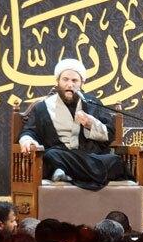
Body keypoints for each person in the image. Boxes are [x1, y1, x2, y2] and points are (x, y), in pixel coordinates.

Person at [17, 58, 125, 191]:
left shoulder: (93, 103)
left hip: (89, 156)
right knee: (51, 155)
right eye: (65, 79)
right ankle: (66, 169)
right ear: (58, 82)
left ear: (82, 83)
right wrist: (27, 140)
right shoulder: (43, 107)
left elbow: (110, 133)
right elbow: (29, 131)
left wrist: (91, 124)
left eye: (74, 81)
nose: (70, 85)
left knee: (115, 161)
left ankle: (62, 170)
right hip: (60, 153)